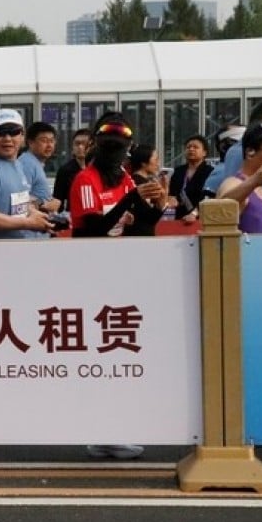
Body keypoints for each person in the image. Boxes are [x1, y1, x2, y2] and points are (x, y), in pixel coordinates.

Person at [68, 114, 168, 461]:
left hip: (120, 274)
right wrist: (130, 199)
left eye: (121, 147)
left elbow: (142, 221)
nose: (116, 152)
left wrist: (158, 203)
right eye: (109, 145)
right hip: (90, 274)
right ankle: (103, 431)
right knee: (103, 354)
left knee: (120, 353)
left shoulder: (124, 178)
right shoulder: (85, 180)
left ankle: (114, 428)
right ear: (95, 146)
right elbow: (92, 229)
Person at [0, 110, 55, 240]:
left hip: (13, 247)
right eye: (1, 132)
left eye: (13, 132)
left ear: (22, 136)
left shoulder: (17, 165)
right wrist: (28, 223)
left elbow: (16, 206)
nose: (7, 138)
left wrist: (37, 215)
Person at [217, 121, 262, 234]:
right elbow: (219, 211)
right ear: (250, 152)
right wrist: (255, 180)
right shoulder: (234, 183)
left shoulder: (259, 187)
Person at [167, 135, 212, 223]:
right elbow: (172, 193)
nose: (191, 149)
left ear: (204, 153)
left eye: (195, 147)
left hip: (201, 218)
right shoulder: (178, 171)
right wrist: (172, 199)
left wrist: (194, 214)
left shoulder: (210, 172)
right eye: (188, 147)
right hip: (180, 218)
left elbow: (209, 197)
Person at [52, 129, 92, 213]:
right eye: (77, 144)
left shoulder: (98, 169)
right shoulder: (65, 171)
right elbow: (58, 199)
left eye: (84, 144)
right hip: (73, 215)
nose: (80, 147)